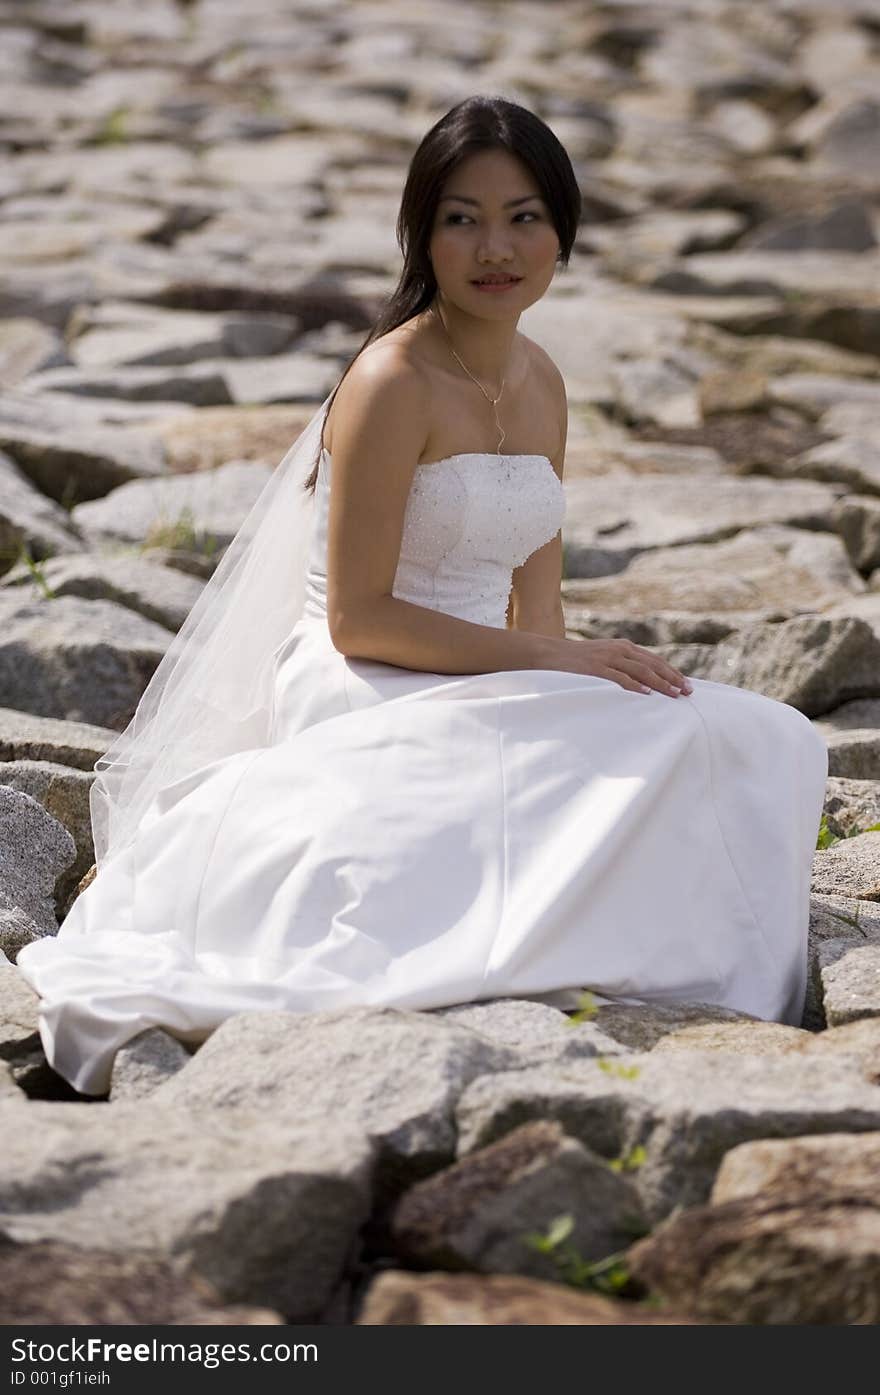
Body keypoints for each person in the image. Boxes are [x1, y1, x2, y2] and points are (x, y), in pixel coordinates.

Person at [17, 96, 828, 1096]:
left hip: (485, 665)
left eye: (524, 216)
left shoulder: (542, 382)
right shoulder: (389, 380)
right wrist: (556, 667)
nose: (497, 246)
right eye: (462, 218)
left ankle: (658, 959)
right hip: (361, 671)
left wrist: (582, 686)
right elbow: (359, 617)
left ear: (562, 233)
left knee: (752, 734)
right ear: (423, 236)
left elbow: (539, 608)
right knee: (488, 796)